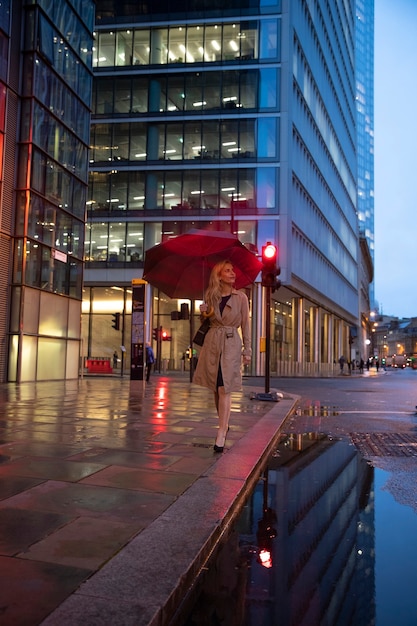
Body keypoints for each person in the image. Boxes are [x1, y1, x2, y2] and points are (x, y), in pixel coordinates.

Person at [193, 260, 252, 453]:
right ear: (219, 276)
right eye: (227, 271)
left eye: (233, 270)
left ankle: (221, 431)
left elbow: (246, 325)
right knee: (214, 387)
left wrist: (247, 350)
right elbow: (208, 322)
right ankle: (224, 423)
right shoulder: (211, 296)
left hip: (230, 343)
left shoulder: (241, 297)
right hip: (212, 343)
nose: (232, 273)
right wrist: (203, 313)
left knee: (224, 387)